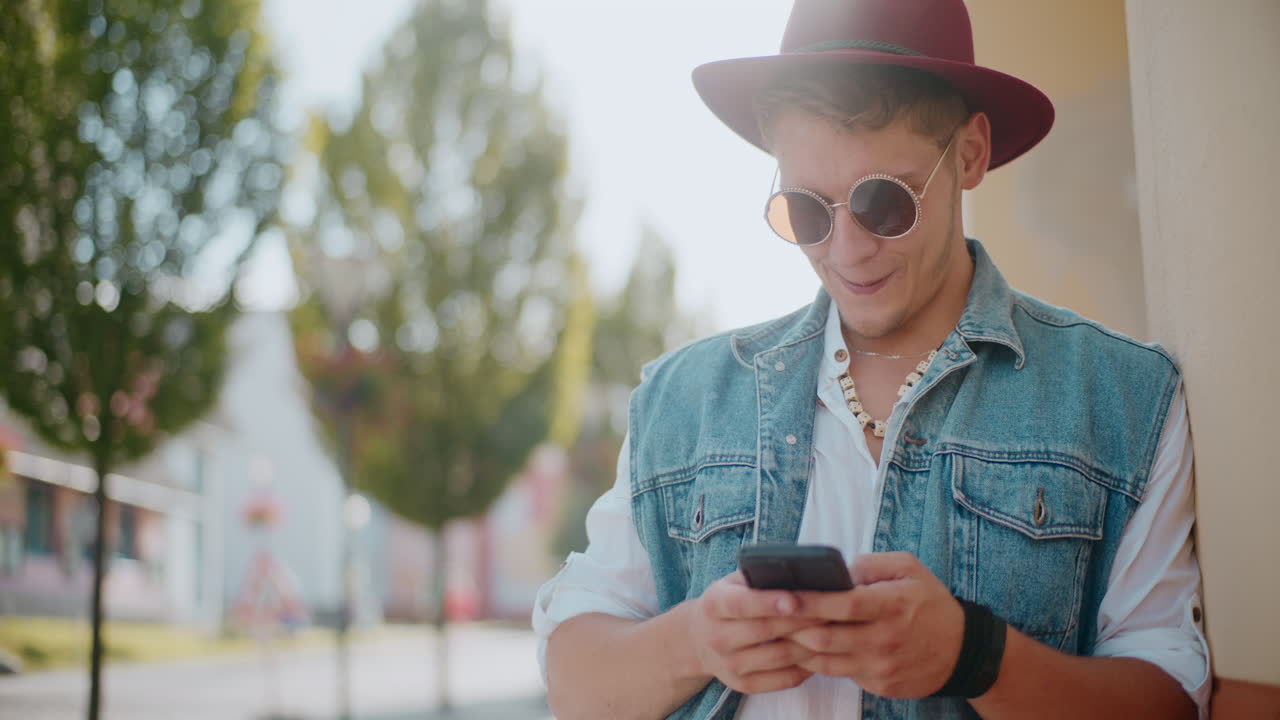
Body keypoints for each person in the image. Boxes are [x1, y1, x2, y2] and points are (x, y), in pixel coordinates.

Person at [533, 1, 1210, 718]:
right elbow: (575, 683)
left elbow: (1168, 701)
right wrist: (696, 641)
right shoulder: (682, 399)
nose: (848, 251)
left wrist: (976, 657)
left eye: (885, 204)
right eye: (808, 211)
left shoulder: (1124, 398)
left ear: (971, 154)